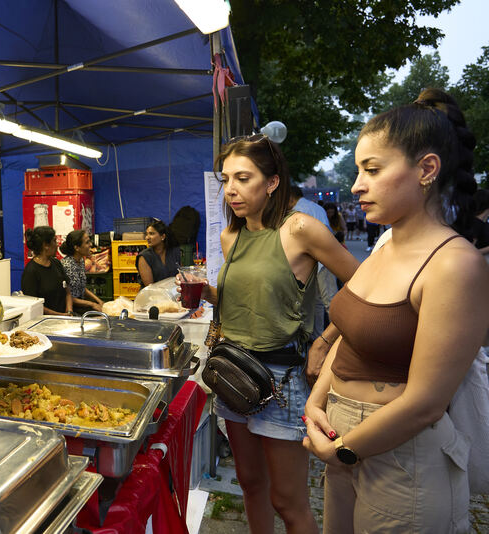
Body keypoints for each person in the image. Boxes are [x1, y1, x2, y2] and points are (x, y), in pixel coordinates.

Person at [302, 89, 489, 533]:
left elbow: (425, 402)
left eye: (372, 169)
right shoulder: (385, 247)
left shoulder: (454, 263)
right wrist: (316, 401)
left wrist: (343, 449)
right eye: (357, 170)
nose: (356, 185)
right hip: (342, 438)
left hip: (404, 459)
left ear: (427, 169)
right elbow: (349, 334)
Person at [193, 134, 359, 533]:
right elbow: (246, 301)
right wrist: (205, 293)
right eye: (226, 178)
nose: (231, 189)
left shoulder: (300, 228)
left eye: (243, 178)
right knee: (250, 484)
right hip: (234, 375)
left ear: (271, 182)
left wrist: (325, 340)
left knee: (287, 500)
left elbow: (363, 284)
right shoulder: (229, 236)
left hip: (282, 382)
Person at [288, 186, 338, 339]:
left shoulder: (297, 212)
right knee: (320, 302)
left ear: (290, 198)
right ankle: (319, 337)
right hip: (322, 262)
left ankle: (336, 339)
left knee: (328, 302)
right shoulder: (316, 208)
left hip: (317, 263)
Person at [21, 226, 72, 315]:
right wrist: (60, 316)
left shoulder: (56, 263)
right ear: (46, 246)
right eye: (54, 241)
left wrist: (69, 312)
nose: (57, 245)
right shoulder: (31, 272)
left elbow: (67, 292)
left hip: (65, 319)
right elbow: (33, 305)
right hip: (45, 322)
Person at [59, 229, 104, 314]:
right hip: (72, 308)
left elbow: (82, 289)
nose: (90, 244)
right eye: (87, 242)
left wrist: (99, 301)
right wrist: (92, 304)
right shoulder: (67, 265)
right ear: (77, 248)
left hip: (82, 304)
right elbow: (67, 296)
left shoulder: (81, 261)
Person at [136, 219, 181, 287]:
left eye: (151, 234)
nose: (147, 237)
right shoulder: (144, 257)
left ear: (163, 237)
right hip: (152, 295)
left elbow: (182, 275)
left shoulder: (174, 252)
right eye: (146, 234)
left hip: (172, 293)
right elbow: (150, 287)